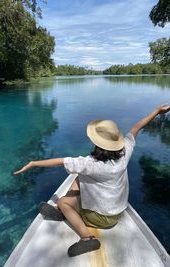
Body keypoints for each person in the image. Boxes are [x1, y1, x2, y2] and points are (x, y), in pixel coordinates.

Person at [14, 104, 170, 257]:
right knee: (79, 176)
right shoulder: (125, 152)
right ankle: (66, 213)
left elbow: (59, 161)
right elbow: (136, 128)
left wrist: (33, 163)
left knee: (63, 202)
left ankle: (86, 237)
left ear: (98, 144)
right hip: (117, 214)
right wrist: (156, 111)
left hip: (100, 219)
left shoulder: (89, 163)